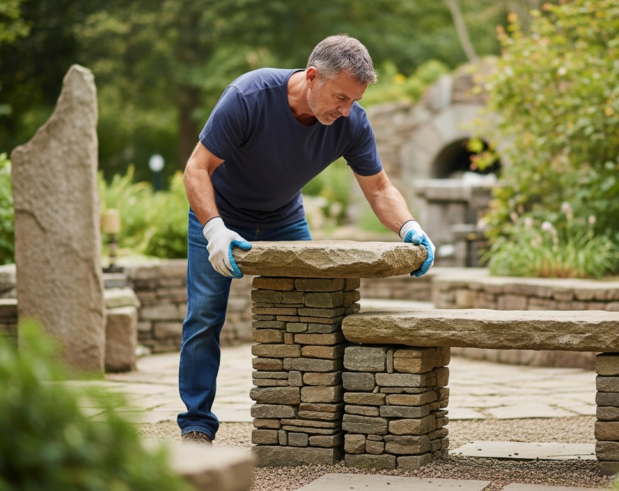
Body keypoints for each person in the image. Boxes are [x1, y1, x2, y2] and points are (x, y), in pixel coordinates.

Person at [178, 34, 434, 444]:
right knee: (204, 316)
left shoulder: (351, 122)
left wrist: (409, 227)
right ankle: (196, 424)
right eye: (340, 97)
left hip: (284, 219)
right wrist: (214, 230)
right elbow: (196, 169)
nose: (346, 109)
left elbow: (380, 188)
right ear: (312, 77)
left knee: (313, 310)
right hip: (219, 215)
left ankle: (306, 421)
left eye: (354, 100)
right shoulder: (248, 96)